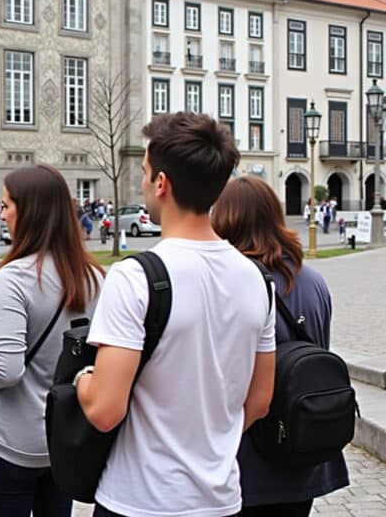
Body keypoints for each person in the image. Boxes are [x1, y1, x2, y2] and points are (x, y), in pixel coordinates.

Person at [76, 112, 276, 517]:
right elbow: (258, 402)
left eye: (147, 172)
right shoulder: (257, 278)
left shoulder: (135, 277)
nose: (146, 181)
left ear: (162, 183)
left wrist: (82, 379)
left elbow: (104, 409)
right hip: (220, 499)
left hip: (141, 500)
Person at [0, 165, 104, 517]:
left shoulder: (14, 277)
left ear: (29, 213)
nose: (3, 212)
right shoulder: (93, 277)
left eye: (8, 204)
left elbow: (7, 371)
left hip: (13, 439)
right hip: (63, 438)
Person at [212, 176, 350, 517]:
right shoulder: (313, 280)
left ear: (225, 219)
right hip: (304, 444)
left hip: (246, 457)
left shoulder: (228, 283)